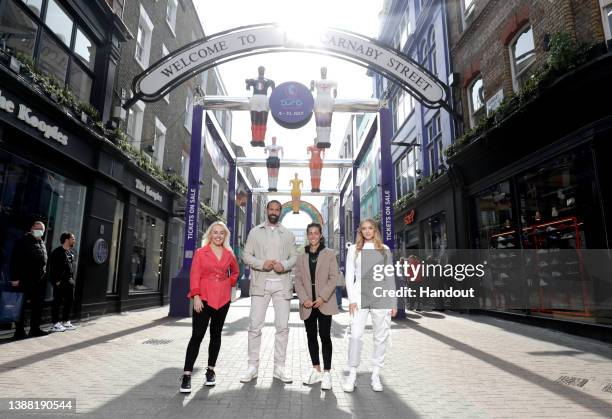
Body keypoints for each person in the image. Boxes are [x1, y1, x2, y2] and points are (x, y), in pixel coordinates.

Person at [240, 200, 297, 384]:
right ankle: (252, 367)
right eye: (271, 209)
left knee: (282, 327)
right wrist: (261, 264)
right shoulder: (255, 232)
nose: (274, 212)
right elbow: (246, 255)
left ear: (280, 211)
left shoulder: (287, 234)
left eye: (277, 209)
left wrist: (284, 265)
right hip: (260, 284)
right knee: (254, 326)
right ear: (266, 210)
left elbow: (294, 257)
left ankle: (279, 368)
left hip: (282, 284)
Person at [180, 222, 239, 393]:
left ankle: (211, 371)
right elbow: (195, 275)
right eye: (215, 232)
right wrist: (196, 297)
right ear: (210, 234)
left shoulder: (229, 254)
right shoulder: (200, 252)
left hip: (222, 299)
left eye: (222, 233)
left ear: (225, 236)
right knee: (197, 335)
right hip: (203, 298)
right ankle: (186, 374)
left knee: (216, 334)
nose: (218, 236)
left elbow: (235, 272)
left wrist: (230, 283)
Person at [343, 219, 397, 393]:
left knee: (381, 336)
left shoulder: (385, 250)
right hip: (359, 296)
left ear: (375, 230)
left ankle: (375, 374)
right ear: (360, 231)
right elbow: (349, 275)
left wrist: (393, 301)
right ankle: (352, 374)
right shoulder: (354, 249)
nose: (367, 231)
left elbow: (390, 276)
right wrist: (351, 299)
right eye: (364, 229)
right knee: (356, 336)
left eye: (370, 228)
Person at [294, 223, 339, 390]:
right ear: (307, 235)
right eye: (310, 233)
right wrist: (304, 298)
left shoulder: (329, 254)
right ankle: (316, 369)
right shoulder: (301, 256)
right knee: (311, 337)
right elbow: (297, 280)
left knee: (325, 337)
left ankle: (327, 373)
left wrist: (322, 297)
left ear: (321, 235)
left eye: (316, 233)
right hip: (307, 304)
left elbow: (334, 277)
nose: (313, 236)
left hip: (324, 302)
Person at [9, 220, 49, 338]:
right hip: (25, 279)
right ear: (32, 229)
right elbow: (14, 261)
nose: (39, 231)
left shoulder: (42, 242)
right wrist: (15, 278)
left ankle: (35, 329)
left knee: (38, 306)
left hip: (39, 281)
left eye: (42, 229)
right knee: (21, 306)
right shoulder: (22, 241)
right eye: (37, 228)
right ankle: (19, 331)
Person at [49, 232, 77, 332]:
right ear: (66, 240)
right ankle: (55, 323)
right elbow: (52, 268)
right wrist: (57, 281)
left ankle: (66, 321)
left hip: (69, 281)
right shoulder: (57, 252)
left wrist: (72, 280)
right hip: (60, 282)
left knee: (69, 301)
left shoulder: (70, 252)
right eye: (72, 238)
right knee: (57, 301)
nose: (74, 240)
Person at [246, 66, 275, 146]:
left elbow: (274, 89)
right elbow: (247, 88)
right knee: (255, 120)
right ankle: (255, 139)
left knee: (262, 120)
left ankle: (261, 140)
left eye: (262, 70)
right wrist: (247, 83)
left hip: (262, 98)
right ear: (258, 70)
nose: (261, 71)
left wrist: (248, 83)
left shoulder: (267, 81)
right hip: (257, 98)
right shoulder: (254, 80)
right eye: (260, 69)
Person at [310, 67, 337, 149]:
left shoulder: (332, 82)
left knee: (327, 123)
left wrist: (335, 96)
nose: (323, 72)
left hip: (327, 100)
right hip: (320, 101)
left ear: (327, 71)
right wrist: (311, 85)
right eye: (322, 71)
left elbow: (335, 93)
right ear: (320, 71)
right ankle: (320, 140)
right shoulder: (316, 81)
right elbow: (311, 89)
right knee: (319, 123)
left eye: (325, 71)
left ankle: (327, 141)